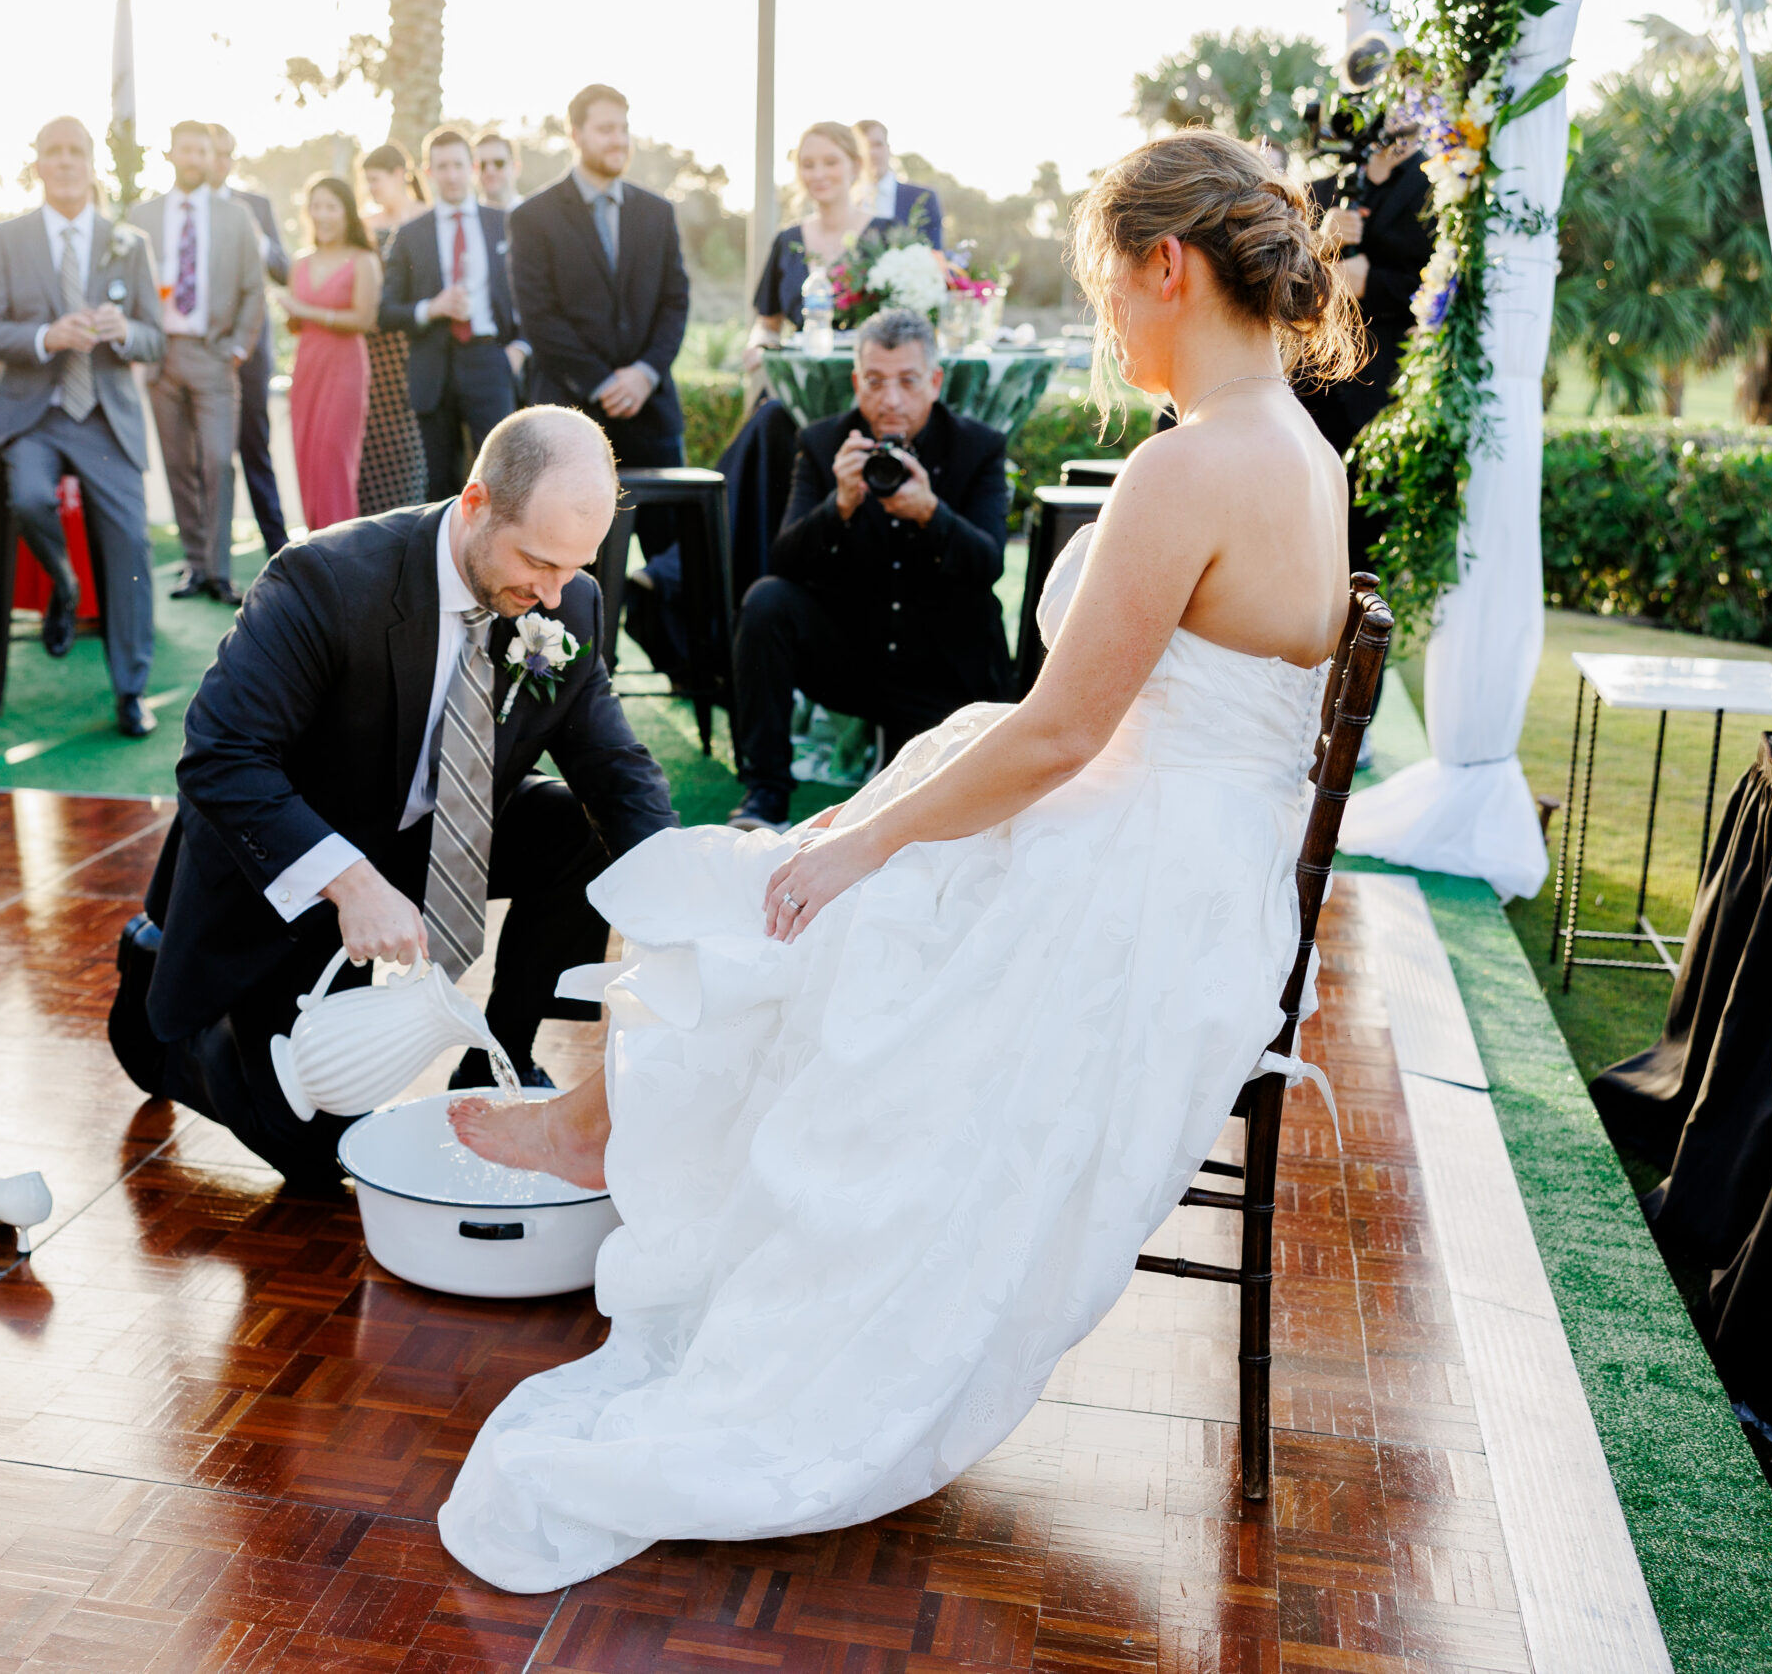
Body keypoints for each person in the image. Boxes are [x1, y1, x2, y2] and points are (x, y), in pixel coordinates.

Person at [435, 127, 1362, 1592]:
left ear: (1168, 267)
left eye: (1112, 289)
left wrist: (873, 837)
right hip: (1206, 866)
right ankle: (611, 1116)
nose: (1114, 324)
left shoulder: (1194, 467)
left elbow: (1062, 737)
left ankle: (628, 1135)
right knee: (821, 865)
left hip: (1147, 882)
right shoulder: (1307, 455)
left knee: (836, 897)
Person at [112, 406, 677, 1188]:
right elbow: (219, 754)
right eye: (539, 562)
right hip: (298, 861)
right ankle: (158, 1007)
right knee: (315, 1154)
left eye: (576, 568)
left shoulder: (564, 604)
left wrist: (685, 895)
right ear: (476, 503)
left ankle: (502, 1054)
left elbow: (615, 769)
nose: (553, 596)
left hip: (432, 834)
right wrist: (351, 881)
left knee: (576, 825)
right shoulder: (325, 578)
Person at [723, 307, 1013, 830]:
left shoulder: (978, 447)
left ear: (935, 381)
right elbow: (783, 559)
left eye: (907, 381)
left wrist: (932, 513)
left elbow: (988, 563)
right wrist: (838, 506)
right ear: (857, 382)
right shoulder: (823, 443)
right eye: (876, 382)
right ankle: (764, 793)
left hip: (940, 662)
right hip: (853, 655)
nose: (891, 400)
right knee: (767, 599)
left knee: (929, 820)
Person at [0, 115, 166, 737]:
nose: (64, 162)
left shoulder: (128, 241)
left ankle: (131, 691)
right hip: (33, 412)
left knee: (131, 542)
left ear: (90, 164)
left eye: (75, 152)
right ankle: (64, 582)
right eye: (52, 152)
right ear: (37, 165)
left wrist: (125, 331)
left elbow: (155, 338)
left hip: (105, 418)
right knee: (28, 497)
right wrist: (44, 336)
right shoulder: (5, 239)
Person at [508, 83, 689, 469]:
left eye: (623, 129)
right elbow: (538, 316)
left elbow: (675, 302)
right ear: (576, 134)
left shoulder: (658, 213)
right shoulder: (532, 217)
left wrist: (644, 374)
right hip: (568, 414)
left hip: (652, 411)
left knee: (672, 531)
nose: (618, 140)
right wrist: (603, 383)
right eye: (606, 129)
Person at [129, 121, 266, 607]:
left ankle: (221, 572)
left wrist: (236, 346)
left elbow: (254, 287)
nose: (192, 157)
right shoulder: (141, 216)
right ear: (170, 154)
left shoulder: (236, 217)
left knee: (216, 461)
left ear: (213, 157)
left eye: (201, 150)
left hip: (213, 354)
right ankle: (196, 564)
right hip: (161, 355)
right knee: (177, 464)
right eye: (184, 148)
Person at [1295, 127, 1428, 572]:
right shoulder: (1320, 192)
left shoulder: (1438, 189)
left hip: (1383, 396)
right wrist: (1321, 243)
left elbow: (1447, 288)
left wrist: (1374, 284)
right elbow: (1279, 283)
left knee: (1364, 552)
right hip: (1310, 394)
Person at [380, 126, 521, 499]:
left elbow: (533, 293)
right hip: (433, 366)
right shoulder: (409, 235)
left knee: (502, 477)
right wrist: (432, 308)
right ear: (428, 173)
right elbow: (384, 311)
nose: (452, 174)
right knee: (441, 485)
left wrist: (521, 348)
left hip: (490, 360)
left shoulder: (504, 222)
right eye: (442, 167)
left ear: (472, 167)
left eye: (458, 165)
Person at [207, 123, 292, 558]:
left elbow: (284, 269)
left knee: (254, 448)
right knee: (205, 457)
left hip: (251, 348)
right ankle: (205, 562)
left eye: (225, 154)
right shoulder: (185, 210)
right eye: (210, 152)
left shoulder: (255, 205)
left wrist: (258, 240)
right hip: (197, 349)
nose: (217, 162)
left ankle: (279, 550)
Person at [274, 175, 377, 530]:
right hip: (306, 367)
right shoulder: (300, 262)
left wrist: (306, 312)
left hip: (345, 367)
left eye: (331, 206)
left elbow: (365, 318)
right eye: (316, 206)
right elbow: (295, 324)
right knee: (305, 458)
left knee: (333, 459)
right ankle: (314, 548)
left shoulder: (363, 260)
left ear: (346, 212)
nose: (323, 214)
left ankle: (339, 549)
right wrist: (289, 313)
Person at [748, 121, 893, 347]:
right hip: (799, 376)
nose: (818, 174)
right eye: (808, 165)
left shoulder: (888, 235)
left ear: (856, 165)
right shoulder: (787, 241)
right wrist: (758, 346)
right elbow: (767, 325)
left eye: (830, 162)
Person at [355, 142, 431, 515]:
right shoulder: (364, 226)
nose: (371, 188)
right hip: (372, 352)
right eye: (367, 181)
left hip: (416, 345)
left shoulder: (427, 218)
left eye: (376, 180)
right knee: (372, 444)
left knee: (414, 441)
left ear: (400, 175)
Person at [856, 119, 942, 248]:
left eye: (878, 145)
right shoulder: (843, 202)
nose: (871, 153)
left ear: (889, 148)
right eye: (864, 147)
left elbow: (936, 255)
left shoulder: (924, 198)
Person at [473, 130, 523, 212]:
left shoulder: (533, 215)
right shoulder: (468, 221)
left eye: (498, 163)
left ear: (515, 166)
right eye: (483, 165)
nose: (490, 171)